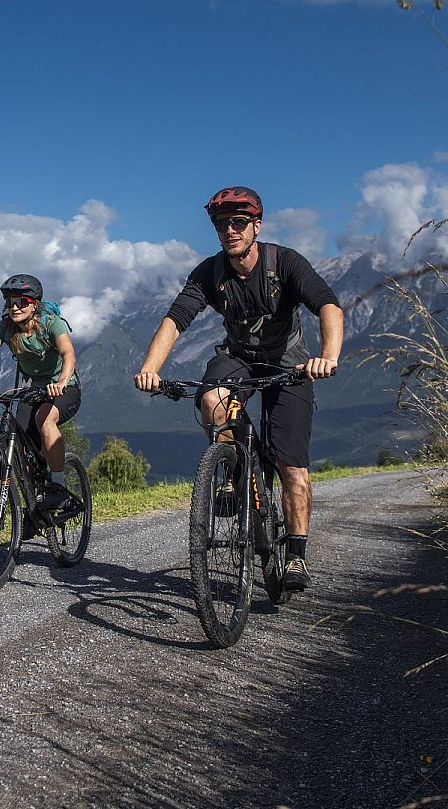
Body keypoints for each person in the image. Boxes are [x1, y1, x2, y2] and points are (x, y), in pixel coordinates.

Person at [134, 186, 343, 592]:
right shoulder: (210, 273)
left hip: (290, 364)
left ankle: (297, 553)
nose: (230, 230)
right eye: (221, 224)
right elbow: (175, 320)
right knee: (211, 397)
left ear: (256, 226)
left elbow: (328, 304)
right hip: (239, 358)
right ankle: (235, 464)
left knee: (293, 469)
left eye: (239, 222)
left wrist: (328, 356)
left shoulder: (284, 262)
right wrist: (150, 369)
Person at [0, 274, 81, 511]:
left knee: (45, 420)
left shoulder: (52, 324)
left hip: (64, 387)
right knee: (19, 442)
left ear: (34, 304)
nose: (14, 307)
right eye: (9, 302)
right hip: (34, 390)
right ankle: (33, 508)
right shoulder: (7, 327)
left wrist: (61, 382)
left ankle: (59, 489)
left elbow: (68, 353)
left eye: (20, 301)